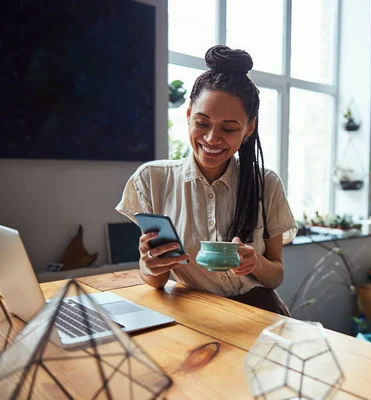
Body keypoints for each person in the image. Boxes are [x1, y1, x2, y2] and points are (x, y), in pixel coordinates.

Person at [116, 45, 297, 316]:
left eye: (229, 128)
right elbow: (156, 280)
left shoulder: (266, 184)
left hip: (259, 314)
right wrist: (148, 264)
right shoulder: (152, 179)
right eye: (202, 123)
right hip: (194, 313)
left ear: (249, 128)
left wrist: (255, 262)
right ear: (188, 115)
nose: (212, 139)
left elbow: (275, 277)